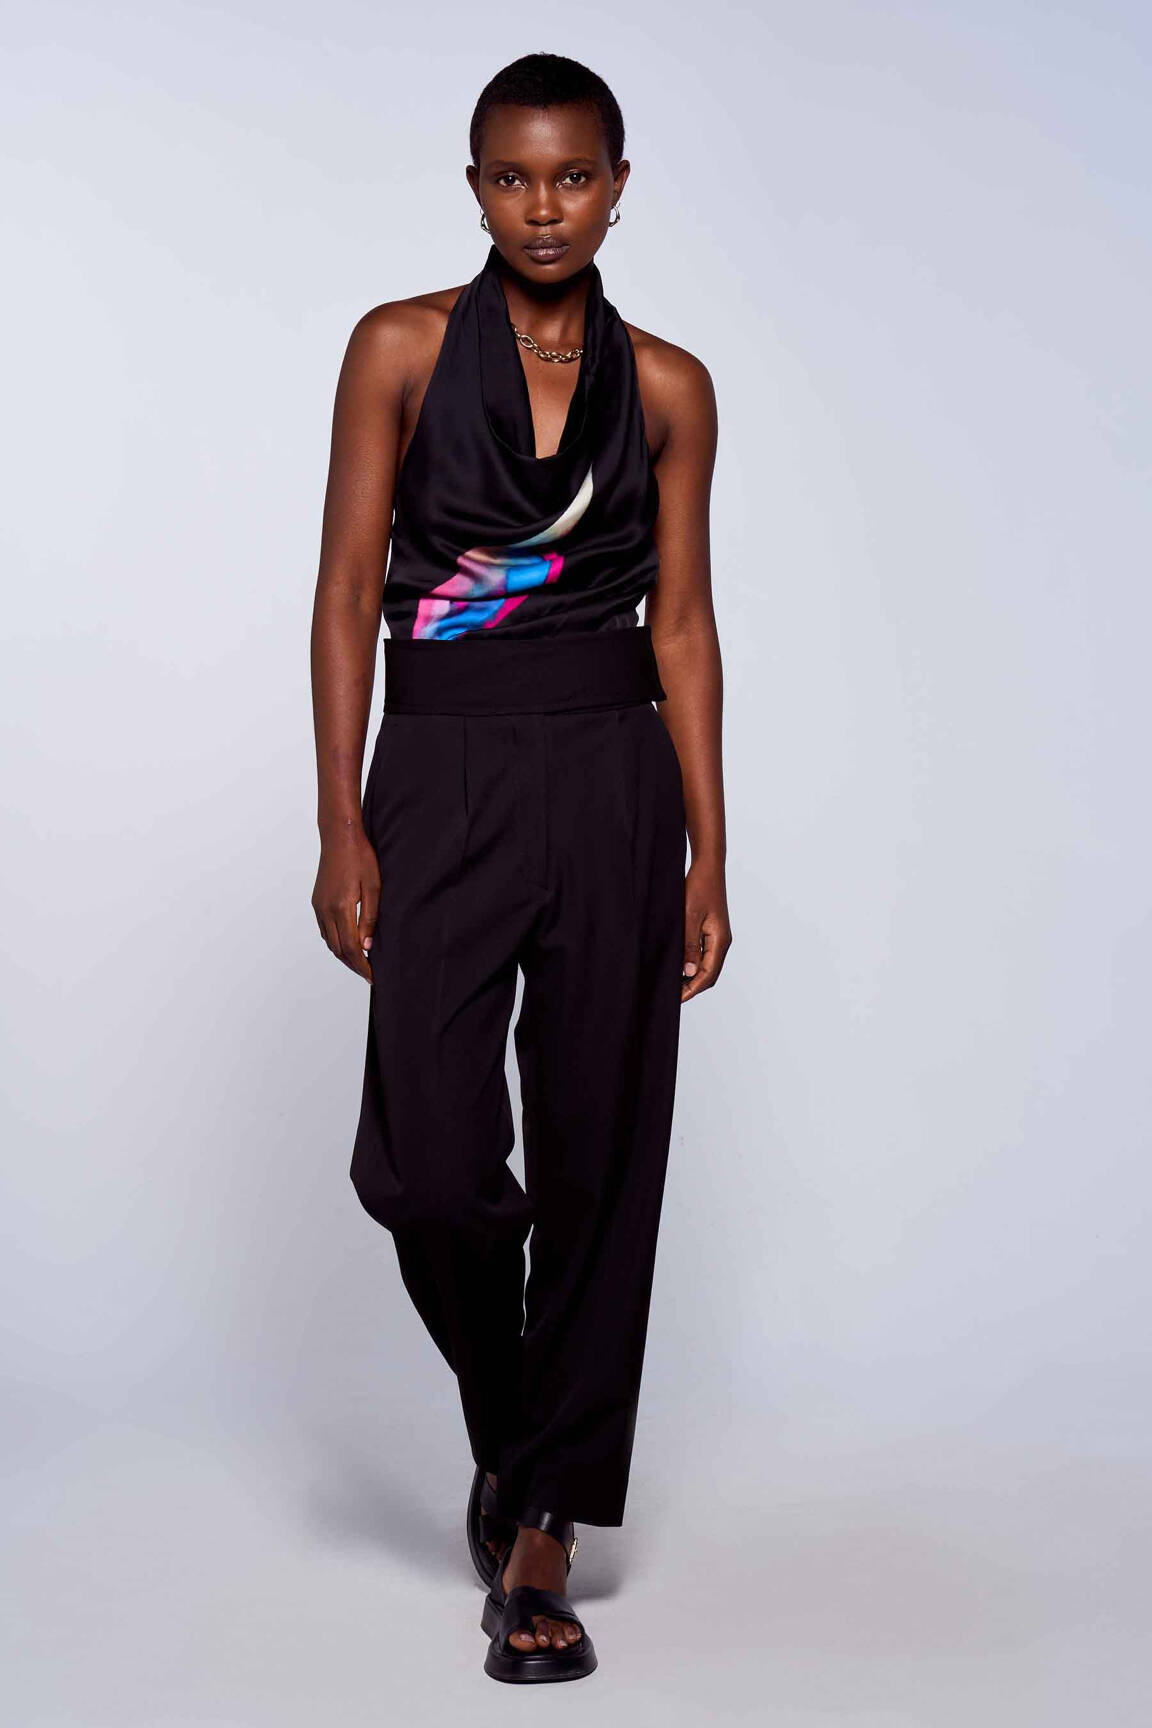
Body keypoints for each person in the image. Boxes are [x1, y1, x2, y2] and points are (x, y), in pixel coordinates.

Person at [309, 51, 731, 1684]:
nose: (542, 206)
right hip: (441, 768)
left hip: (616, 772)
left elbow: (681, 624)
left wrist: (709, 849)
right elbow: (349, 589)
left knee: (602, 1148)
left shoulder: (672, 386)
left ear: (618, 186)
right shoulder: (402, 348)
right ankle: (517, 1427)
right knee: (426, 1162)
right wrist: (341, 821)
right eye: (510, 176)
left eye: (571, 176)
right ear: (475, 185)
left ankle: (543, 1523)